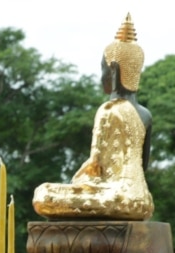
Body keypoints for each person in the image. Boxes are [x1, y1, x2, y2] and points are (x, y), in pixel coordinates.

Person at [33, 15, 153, 221]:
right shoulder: (145, 114)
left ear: (114, 70)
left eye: (103, 69)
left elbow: (96, 164)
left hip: (114, 197)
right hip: (142, 201)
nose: (101, 77)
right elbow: (144, 165)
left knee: (43, 194)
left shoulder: (108, 109)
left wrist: (79, 181)